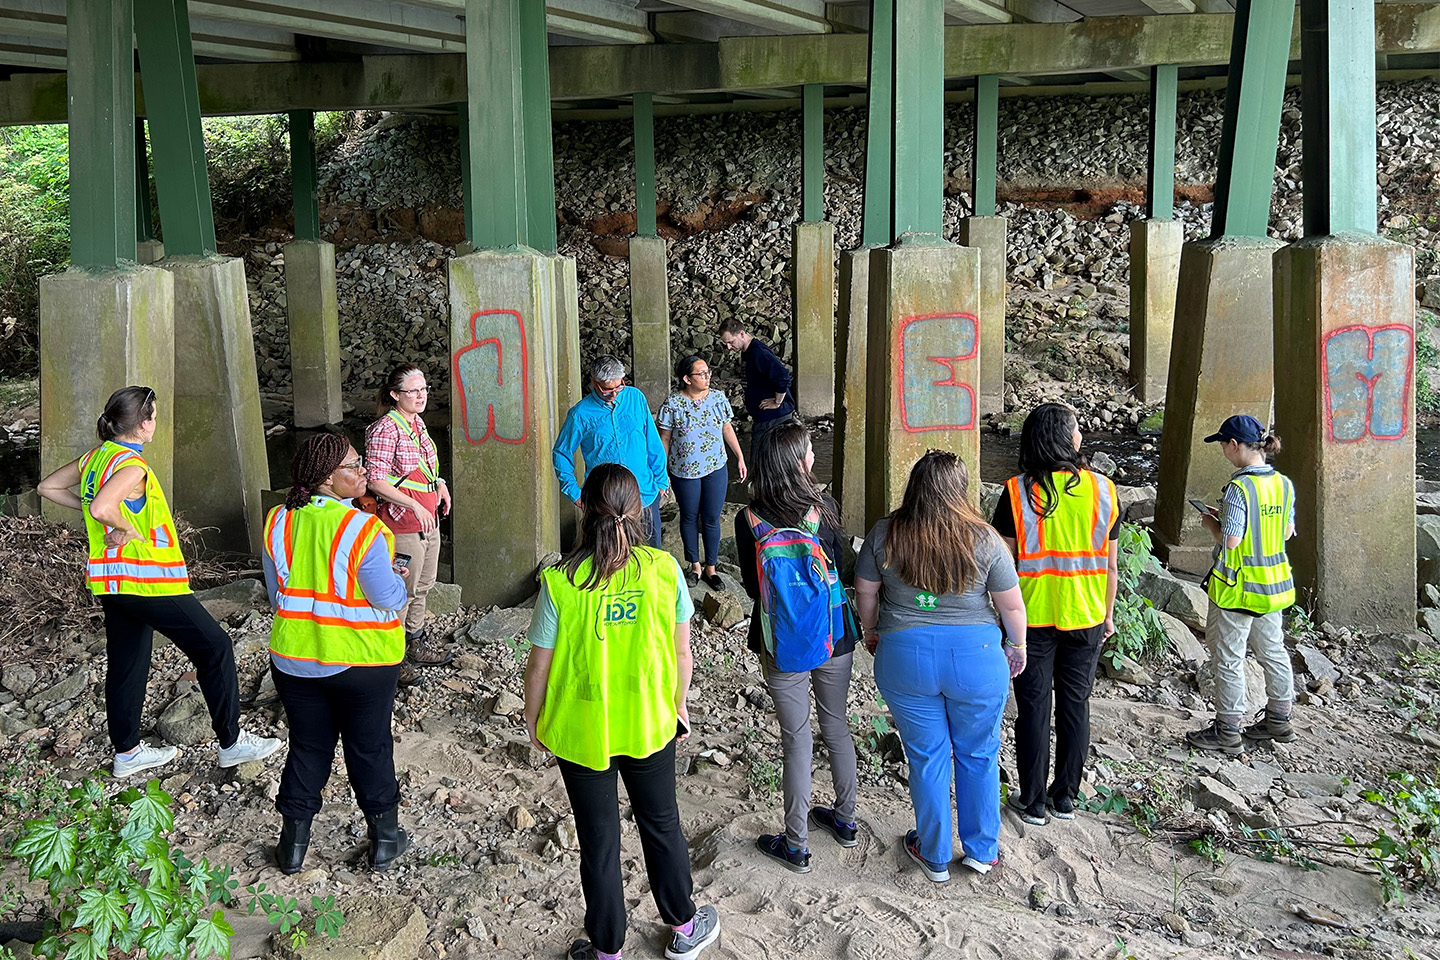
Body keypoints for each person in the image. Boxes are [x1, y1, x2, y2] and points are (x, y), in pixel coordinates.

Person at [522, 463, 720, 960]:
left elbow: (538, 668)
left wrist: (534, 720)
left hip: (580, 729)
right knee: (661, 824)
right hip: (650, 720)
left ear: (582, 509)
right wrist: (679, 705)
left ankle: (607, 947)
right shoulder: (662, 569)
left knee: (598, 841)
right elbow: (681, 654)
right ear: (639, 512)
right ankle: (683, 923)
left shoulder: (560, 581)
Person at [36, 386, 282, 779]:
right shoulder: (132, 466)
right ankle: (232, 743)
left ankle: (128, 752)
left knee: (128, 662)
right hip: (148, 582)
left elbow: (47, 488)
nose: (156, 424)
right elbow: (102, 507)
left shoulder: (94, 458)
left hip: (111, 581)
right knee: (216, 648)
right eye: (154, 417)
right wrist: (124, 526)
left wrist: (102, 514)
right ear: (145, 422)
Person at [855, 451, 1029, 881]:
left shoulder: (885, 533)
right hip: (976, 658)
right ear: (961, 489)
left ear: (914, 486)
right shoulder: (985, 539)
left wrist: (872, 631)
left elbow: (866, 593)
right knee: (979, 753)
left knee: (927, 756)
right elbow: (1011, 605)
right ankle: (982, 851)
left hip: (905, 656)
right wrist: (1019, 644)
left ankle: (932, 854)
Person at [263, 433, 412, 874]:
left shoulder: (277, 520)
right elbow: (388, 598)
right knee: (368, 748)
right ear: (327, 478)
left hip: (294, 658)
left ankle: (292, 847)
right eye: (354, 465)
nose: (364, 471)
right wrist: (400, 579)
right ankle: (385, 839)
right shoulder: (363, 528)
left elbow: (278, 595)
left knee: (308, 746)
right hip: (363, 660)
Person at [733, 421, 858, 874]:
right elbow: (839, 569)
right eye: (808, 452)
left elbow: (752, 586)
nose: (812, 458)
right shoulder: (823, 506)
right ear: (798, 460)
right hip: (835, 632)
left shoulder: (748, 520)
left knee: (796, 739)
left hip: (781, 640)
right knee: (836, 724)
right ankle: (845, 820)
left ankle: (797, 844)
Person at [991, 403, 1119, 827]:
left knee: (1033, 707)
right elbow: (1111, 565)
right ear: (1065, 439)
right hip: (1086, 613)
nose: (1081, 434)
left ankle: (1033, 802)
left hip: (1032, 618)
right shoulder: (1103, 491)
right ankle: (1065, 795)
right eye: (1076, 428)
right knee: (1075, 705)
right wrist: (1108, 614)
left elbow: (1002, 566)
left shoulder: (1016, 493)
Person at [1185, 415, 1297, 754]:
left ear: (1235, 445)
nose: (1222, 450)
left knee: (1229, 656)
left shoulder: (1239, 488)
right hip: (1275, 585)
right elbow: (1287, 532)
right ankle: (1279, 718)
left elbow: (1232, 541)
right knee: (1273, 650)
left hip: (1238, 588)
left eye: (1223, 444)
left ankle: (1227, 730)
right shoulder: (1283, 484)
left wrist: (1210, 524)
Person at [365, 363, 454, 686]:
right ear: (394, 394)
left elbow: (423, 468)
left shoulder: (417, 424)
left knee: (424, 585)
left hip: (427, 519)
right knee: (401, 590)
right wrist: (414, 503)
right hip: (402, 524)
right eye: (412, 391)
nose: (421, 396)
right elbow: (375, 480)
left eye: (424, 389)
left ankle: (415, 640)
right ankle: (394, 655)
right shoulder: (385, 429)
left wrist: (439, 484)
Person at [553, 356, 670, 549]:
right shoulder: (580, 414)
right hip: (606, 504)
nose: (614, 393)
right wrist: (575, 493)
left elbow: (652, 441)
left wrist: (661, 480)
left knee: (651, 555)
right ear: (593, 382)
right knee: (611, 560)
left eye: (619, 386)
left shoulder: (635, 397)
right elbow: (561, 453)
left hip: (646, 496)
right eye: (607, 389)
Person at [657, 355, 746, 589]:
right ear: (687, 379)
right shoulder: (672, 403)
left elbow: (727, 428)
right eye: (701, 374)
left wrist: (740, 456)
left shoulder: (718, 398)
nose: (707, 377)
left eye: (708, 372)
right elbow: (664, 439)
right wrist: (661, 471)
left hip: (715, 466)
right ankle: (694, 566)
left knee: (711, 518)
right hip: (684, 471)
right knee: (688, 516)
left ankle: (711, 568)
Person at [717, 318, 795, 450]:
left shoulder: (758, 352)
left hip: (773, 418)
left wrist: (777, 401)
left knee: (762, 462)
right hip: (764, 417)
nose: (729, 347)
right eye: (726, 344)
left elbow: (782, 376)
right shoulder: (747, 352)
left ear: (742, 334)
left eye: (730, 342)